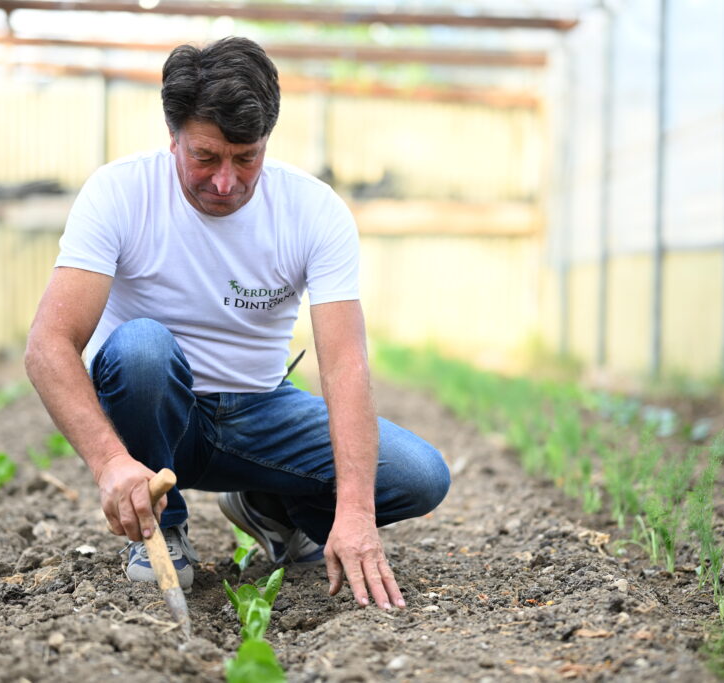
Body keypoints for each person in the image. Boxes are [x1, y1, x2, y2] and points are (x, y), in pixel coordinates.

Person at [24, 36, 449, 610]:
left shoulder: (312, 211)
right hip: (155, 412)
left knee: (420, 476)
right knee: (142, 350)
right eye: (205, 156)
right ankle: (162, 522)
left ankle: (272, 508)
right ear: (172, 136)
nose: (225, 181)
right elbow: (48, 345)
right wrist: (110, 462)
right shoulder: (120, 193)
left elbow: (345, 362)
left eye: (245, 157)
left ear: (267, 140)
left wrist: (355, 511)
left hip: (259, 413)